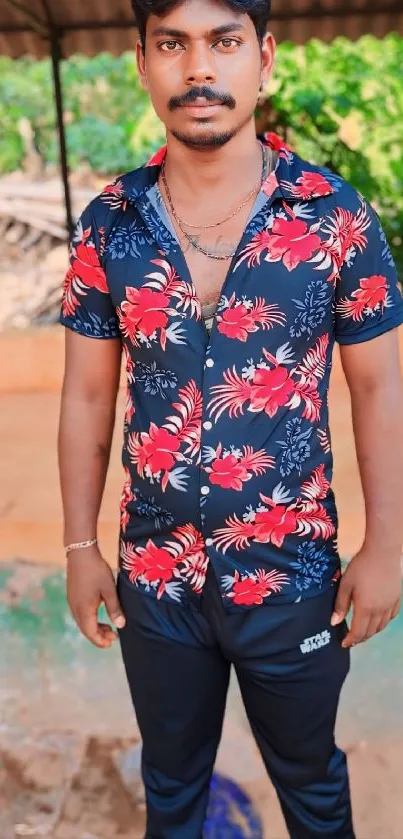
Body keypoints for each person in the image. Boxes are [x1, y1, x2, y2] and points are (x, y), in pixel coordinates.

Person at [58, 1, 403, 837]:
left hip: (290, 575)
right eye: (172, 45)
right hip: (157, 577)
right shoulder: (110, 222)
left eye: (223, 43)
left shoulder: (333, 215)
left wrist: (388, 543)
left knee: (313, 787)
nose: (198, 70)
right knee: (171, 788)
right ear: (141, 61)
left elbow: (380, 385)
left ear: (264, 57)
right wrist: (78, 547)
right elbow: (87, 394)